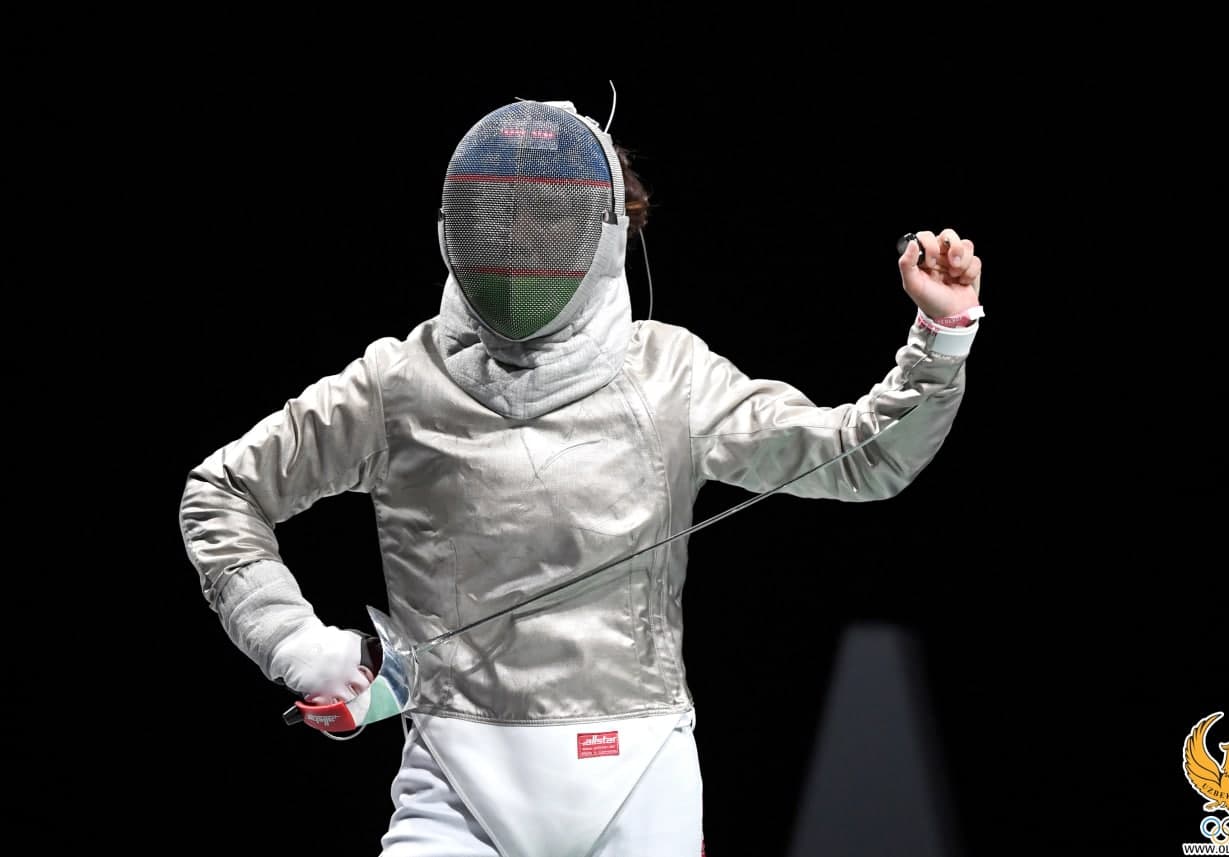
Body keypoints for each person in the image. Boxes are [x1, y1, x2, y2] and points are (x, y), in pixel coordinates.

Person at [178, 97, 984, 857]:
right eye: (499, 213)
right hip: (454, 779)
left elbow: (862, 456)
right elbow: (222, 492)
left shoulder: (670, 376)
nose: (520, 240)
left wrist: (942, 334)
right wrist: (296, 641)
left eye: (548, 216)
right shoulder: (399, 384)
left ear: (602, 230)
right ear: (455, 227)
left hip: (639, 776)